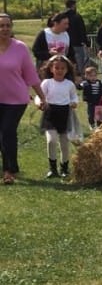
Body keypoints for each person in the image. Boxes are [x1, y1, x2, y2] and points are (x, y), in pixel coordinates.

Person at [0, 14, 46, 184]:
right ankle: (10, 166)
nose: (5, 29)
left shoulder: (20, 48)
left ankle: (9, 171)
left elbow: (31, 75)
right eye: (1, 26)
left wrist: (42, 97)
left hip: (16, 100)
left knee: (7, 131)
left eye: (7, 25)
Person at [38, 54, 78, 179]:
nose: (59, 70)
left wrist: (74, 102)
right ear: (51, 69)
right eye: (57, 68)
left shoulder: (69, 84)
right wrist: (39, 103)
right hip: (50, 114)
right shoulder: (47, 83)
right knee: (51, 141)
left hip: (65, 114)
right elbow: (40, 96)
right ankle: (52, 169)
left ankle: (64, 168)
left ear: (67, 70)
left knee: (64, 143)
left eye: (62, 68)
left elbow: (74, 97)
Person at [64, 0, 90, 78]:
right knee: (79, 63)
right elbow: (82, 30)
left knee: (67, 62)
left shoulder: (63, 16)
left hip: (65, 43)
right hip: (77, 43)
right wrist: (86, 42)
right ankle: (80, 77)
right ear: (73, 5)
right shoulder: (77, 16)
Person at [79, 63, 102, 132]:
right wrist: (78, 83)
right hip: (91, 101)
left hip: (99, 100)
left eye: (95, 75)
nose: (93, 77)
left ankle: (100, 125)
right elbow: (79, 87)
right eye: (91, 76)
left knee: (100, 113)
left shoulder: (99, 82)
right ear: (86, 76)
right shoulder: (85, 83)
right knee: (91, 114)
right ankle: (92, 124)